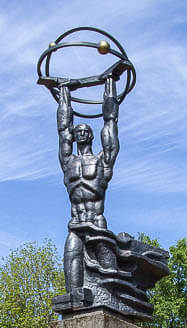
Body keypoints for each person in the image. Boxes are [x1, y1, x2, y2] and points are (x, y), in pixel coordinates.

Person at [57, 73, 120, 294]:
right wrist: (64, 93)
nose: (81, 133)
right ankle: (74, 299)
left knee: (108, 277)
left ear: (92, 137)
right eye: (79, 132)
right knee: (71, 253)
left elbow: (110, 123)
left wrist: (110, 84)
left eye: (86, 131)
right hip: (76, 222)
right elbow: (63, 130)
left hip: (96, 222)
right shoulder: (69, 163)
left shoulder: (102, 161)